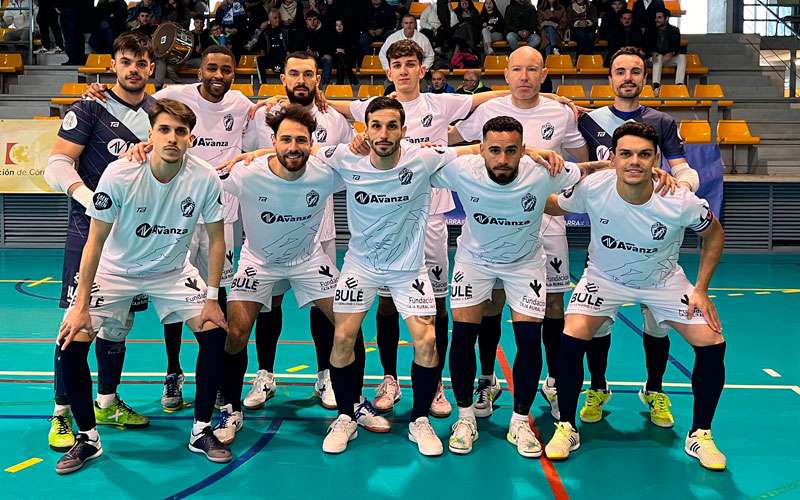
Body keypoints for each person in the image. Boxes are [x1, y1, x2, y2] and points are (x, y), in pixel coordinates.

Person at [315, 39, 516, 419]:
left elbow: (480, 102)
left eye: (411, 64)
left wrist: (533, 93)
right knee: (386, 302)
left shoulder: (440, 104)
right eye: (397, 66)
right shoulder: (373, 113)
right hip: (383, 224)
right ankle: (389, 377)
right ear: (388, 72)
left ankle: (434, 381)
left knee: (433, 305)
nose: (404, 71)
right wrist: (321, 102)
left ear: (421, 69)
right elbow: (339, 109)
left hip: (431, 217)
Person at [55, 98, 231, 474]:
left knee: (215, 331)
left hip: (171, 271)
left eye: (180, 132)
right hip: (114, 271)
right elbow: (94, 241)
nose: (172, 138)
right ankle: (88, 437)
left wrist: (213, 298)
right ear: (150, 135)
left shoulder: (203, 177)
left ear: (191, 139)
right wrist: (81, 302)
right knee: (71, 341)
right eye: (164, 130)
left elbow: (217, 240)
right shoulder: (120, 174)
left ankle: (201, 430)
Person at [543, 121, 728, 472]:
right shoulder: (594, 187)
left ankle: (700, 433)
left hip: (662, 281)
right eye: (625, 154)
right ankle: (566, 425)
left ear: (656, 158)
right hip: (604, 278)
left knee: (712, 341)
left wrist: (701, 289)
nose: (634, 162)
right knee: (572, 337)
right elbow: (552, 205)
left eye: (644, 155)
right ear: (612, 157)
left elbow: (714, 235)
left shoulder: (679, 199)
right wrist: (527, 181)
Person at [83, 45, 256, 413]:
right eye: (211, 68)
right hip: (168, 212)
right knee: (170, 299)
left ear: (234, 73)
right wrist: (99, 94)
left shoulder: (242, 103)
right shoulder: (172, 96)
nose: (218, 75)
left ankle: (221, 386)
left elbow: (275, 120)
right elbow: (135, 100)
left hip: (213, 209)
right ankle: (173, 371)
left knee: (213, 299)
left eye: (226, 69)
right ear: (200, 71)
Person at [437, 116, 606, 457]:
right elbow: (409, 158)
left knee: (529, 341)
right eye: (494, 150)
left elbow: (588, 170)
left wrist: (632, 168)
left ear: (522, 150)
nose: (502, 159)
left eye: (511, 151)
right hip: (474, 261)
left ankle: (519, 419)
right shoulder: (461, 169)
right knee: (465, 336)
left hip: (524, 264)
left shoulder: (542, 170)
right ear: (481, 149)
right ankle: (465, 417)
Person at [449, 46, 588, 420]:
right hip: (494, 219)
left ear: (544, 74)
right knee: (489, 304)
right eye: (517, 69)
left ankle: (555, 381)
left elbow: (579, 154)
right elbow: (450, 141)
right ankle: (488, 378)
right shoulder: (487, 112)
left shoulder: (560, 111)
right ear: (506, 74)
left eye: (533, 69)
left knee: (552, 306)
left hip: (545, 218)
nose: (525, 76)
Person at [235, 52, 372, 421]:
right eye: (294, 73)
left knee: (324, 309)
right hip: (268, 228)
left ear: (317, 79)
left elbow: (346, 159)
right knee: (268, 304)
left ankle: (326, 374)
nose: (301, 79)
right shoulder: (263, 116)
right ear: (283, 78)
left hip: (317, 227)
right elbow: (252, 159)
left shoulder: (333, 118)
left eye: (308, 74)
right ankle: (264, 374)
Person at [43, 31, 155, 456]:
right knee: (76, 324)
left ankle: (106, 403)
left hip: (134, 240)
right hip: (88, 232)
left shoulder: (155, 111)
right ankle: (61, 412)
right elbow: (56, 162)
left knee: (118, 325)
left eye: (141, 63)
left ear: (150, 67)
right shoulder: (90, 106)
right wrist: (89, 198)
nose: (133, 69)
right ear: (114, 63)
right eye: (126, 61)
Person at [577, 46, 700, 428]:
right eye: (620, 71)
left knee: (656, 320)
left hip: (653, 236)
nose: (627, 77)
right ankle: (598, 386)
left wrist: (675, 181)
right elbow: (575, 168)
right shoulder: (589, 121)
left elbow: (687, 171)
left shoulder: (660, 121)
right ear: (609, 77)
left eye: (635, 71)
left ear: (644, 77)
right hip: (609, 232)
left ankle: (655, 387)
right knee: (596, 321)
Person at [214, 105, 346, 445]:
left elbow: (371, 165)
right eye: (285, 139)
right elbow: (197, 175)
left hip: (308, 258)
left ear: (311, 141)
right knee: (236, 333)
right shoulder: (247, 173)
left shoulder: (325, 173)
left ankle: (351, 406)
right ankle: (230, 407)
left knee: (347, 323)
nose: (292, 147)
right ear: (273, 141)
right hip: (258, 261)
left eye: (300, 140)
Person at [646, 8, 686, 90]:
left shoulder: (674, 30)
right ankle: (656, 86)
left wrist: (672, 53)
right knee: (659, 56)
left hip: (667, 58)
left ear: (666, 18)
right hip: (652, 59)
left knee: (682, 57)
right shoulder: (650, 30)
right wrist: (652, 53)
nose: (656, 20)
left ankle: (679, 85)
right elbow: (646, 47)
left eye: (659, 17)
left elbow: (676, 47)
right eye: (656, 17)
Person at [296, 10, 333, 85]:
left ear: (318, 20)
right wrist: (306, 53)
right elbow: (296, 48)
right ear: (306, 21)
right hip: (305, 59)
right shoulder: (301, 32)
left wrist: (315, 53)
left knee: (328, 58)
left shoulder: (324, 32)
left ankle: (323, 84)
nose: (312, 22)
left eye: (314, 19)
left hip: (318, 58)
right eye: (310, 20)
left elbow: (327, 48)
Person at [256, 8, 290, 77]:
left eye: (278, 18)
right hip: (270, 59)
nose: (278, 20)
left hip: (282, 59)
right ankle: (263, 84)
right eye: (275, 18)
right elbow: (262, 49)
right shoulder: (265, 32)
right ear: (270, 20)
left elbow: (289, 48)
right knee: (259, 60)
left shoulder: (285, 31)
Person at [331, 19, 359, 85]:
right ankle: (351, 75)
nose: (339, 27)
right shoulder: (331, 36)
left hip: (347, 58)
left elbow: (353, 49)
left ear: (343, 26)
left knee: (340, 63)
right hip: (335, 59)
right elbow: (328, 49)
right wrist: (336, 51)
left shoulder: (349, 35)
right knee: (339, 57)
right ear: (334, 27)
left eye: (341, 25)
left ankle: (340, 83)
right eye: (337, 25)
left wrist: (344, 51)